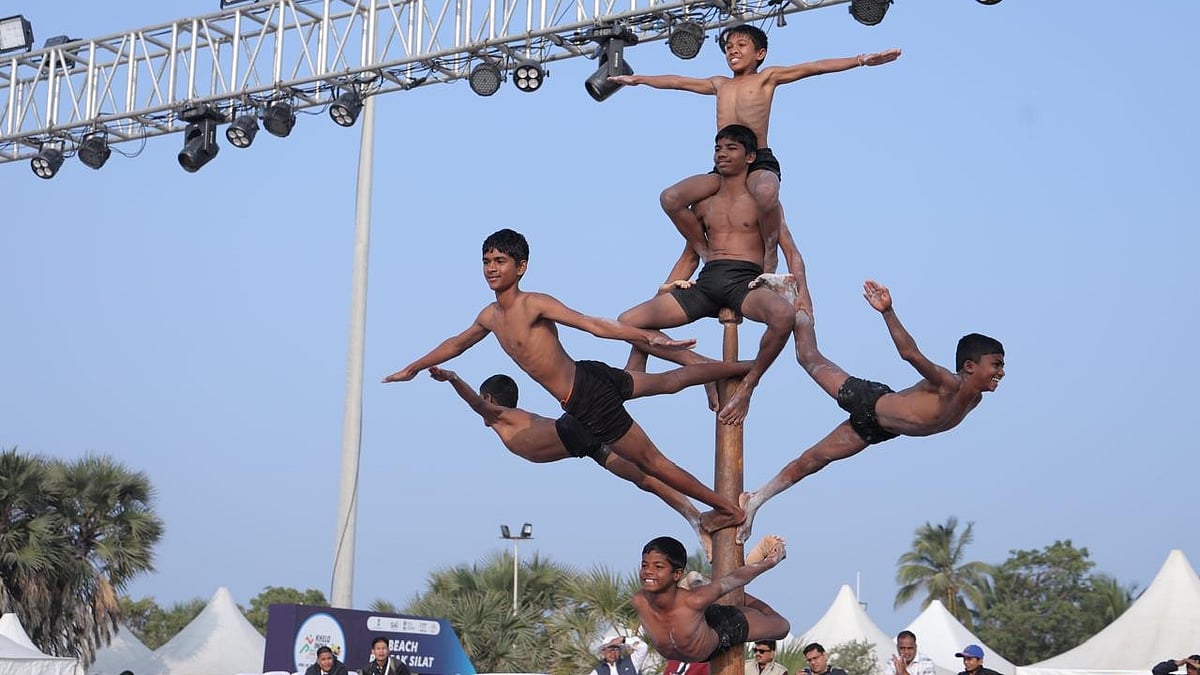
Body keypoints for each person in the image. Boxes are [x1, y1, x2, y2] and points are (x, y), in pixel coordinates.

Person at [383, 228, 744, 533]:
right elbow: (456, 343)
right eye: (487, 262)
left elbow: (592, 323)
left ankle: (727, 510)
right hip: (587, 377)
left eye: (500, 262)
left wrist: (647, 336)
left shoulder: (534, 304)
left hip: (586, 398)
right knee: (671, 381)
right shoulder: (490, 316)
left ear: (521, 267)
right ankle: (749, 367)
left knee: (652, 463)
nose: (492, 268)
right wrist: (414, 367)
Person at [610, 25, 900, 306]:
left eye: (740, 46)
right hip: (725, 165)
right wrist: (640, 79)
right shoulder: (719, 84)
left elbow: (815, 66)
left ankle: (769, 256)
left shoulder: (767, 78)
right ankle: (705, 251)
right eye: (728, 48)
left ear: (759, 53)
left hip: (757, 159)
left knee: (765, 194)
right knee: (671, 198)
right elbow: (677, 81)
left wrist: (861, 60)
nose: (732, 51)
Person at [735, 274, 1004, 543]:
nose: (1001, 372)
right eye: (996, 364)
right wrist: (887, 312)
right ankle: (791, 295)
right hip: (867, 400)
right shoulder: (948, 384)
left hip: (879, 429)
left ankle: (755, 500)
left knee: (812, 461)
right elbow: (910, 353)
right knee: (808, 358)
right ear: (970, 366)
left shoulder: (974, 400)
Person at [427, 360, 750, 551]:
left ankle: (720, 370)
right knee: (647, 479)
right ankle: (696, 520)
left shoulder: (499, 416)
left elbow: (476, 404)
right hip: (588, 447)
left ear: (489, 397)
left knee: (655, 463)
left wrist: (454, 379)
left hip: (579, 428)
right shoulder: (511, 421)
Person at [617, 124, 799, 427]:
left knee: (784, 316)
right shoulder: (703, 203)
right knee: (627, 323)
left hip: (745, 283)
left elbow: (791, 251)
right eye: (718, 148)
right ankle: (703, 367)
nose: (722, 154)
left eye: (731, 148)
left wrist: (802, 296)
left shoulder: (764, 203)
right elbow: (690, 255)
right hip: (707, 282)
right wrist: (661, 297)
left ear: (750, 156)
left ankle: (748, 385)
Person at [630, 535, 789, 662]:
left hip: (722, 631)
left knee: (782, 627)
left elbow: (736, 579)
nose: (648, 571)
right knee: (708, 597)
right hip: (696, 625)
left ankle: (712, 583)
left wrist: (770, 562)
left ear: (677, 574)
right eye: (644, 565)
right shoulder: (640, 601)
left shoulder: (694, 600)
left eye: (658, 567)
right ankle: (701, 582)